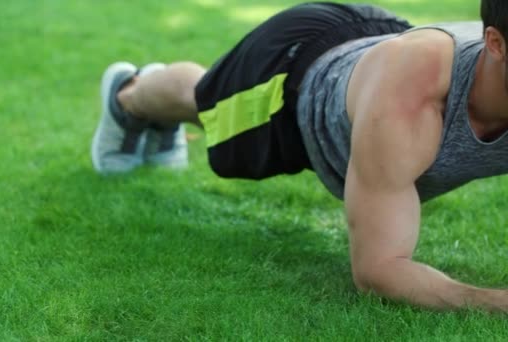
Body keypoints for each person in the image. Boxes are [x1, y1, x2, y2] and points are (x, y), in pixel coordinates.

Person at [90, 1, 508, 312]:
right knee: (206, 105)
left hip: (380, 50)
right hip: (294, 70)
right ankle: (128, 96)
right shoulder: (410, 100)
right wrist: (494, 302)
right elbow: (379, 270)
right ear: (496, 43)